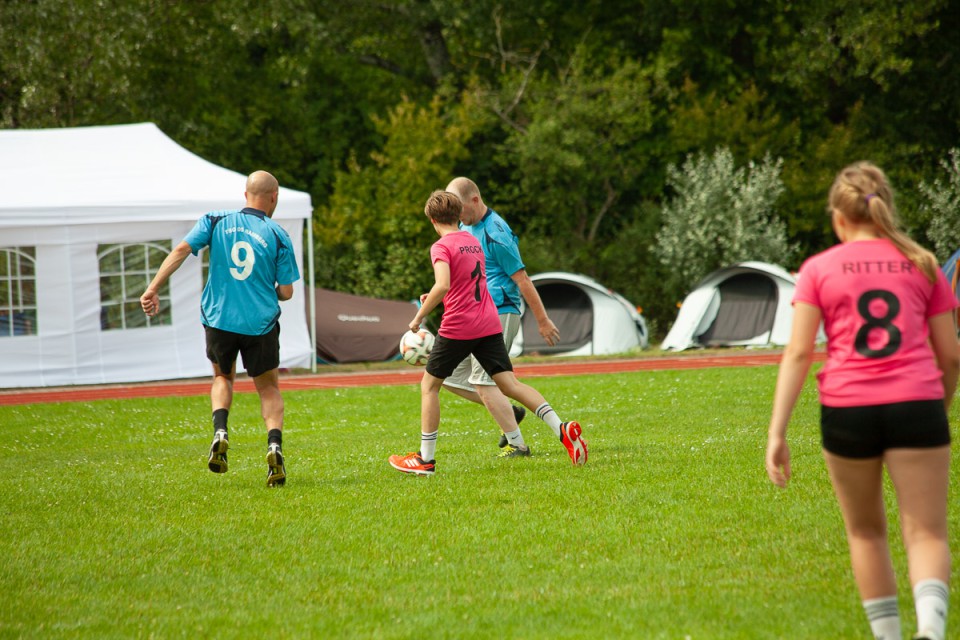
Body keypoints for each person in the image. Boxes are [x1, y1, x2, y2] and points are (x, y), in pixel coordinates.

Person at [765, 162, 958, 640]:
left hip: (848, 407)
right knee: (927, 533)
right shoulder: (923, 263)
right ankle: (931, 630)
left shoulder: (818, 268)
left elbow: (798, 353)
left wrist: (777, 431)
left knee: (866, 533)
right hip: (916, 401)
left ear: (838, 218)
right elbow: (951, 355)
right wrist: (938, 406)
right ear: (884, 208)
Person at [388, 190, 587, 475]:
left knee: (429, 386)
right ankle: (562, 428)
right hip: (489, 322)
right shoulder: (472, 241)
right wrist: (435, 297)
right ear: (458, 215)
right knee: (510, 385)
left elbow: (443, 284)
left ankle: (425, 460)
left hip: (459, 326)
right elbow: (467, 284)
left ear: (432, 220)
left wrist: (418, 317)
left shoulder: (440, 246)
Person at [140, 170, 300, 487]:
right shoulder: (278, 234)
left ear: (245, 195)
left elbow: (181, 251)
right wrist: (269, 289)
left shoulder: (214, 220)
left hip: (219, 319)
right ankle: (274, 446)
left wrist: (153, 288)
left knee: (222, 377)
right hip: (260, 323)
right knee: (268, 388)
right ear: (274, 197)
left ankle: (221, 431)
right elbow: (286, 291)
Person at [442, 177, 576, 461]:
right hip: (473, 315)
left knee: (486, 382)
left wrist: (542, 320)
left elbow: (522, 279)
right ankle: (515, 413)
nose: (456, 215)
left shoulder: (496, 233)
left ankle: (522, 445)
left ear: (475, 200)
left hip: (500, 312)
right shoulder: (465, 227)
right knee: (448, 377)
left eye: (459, 207)